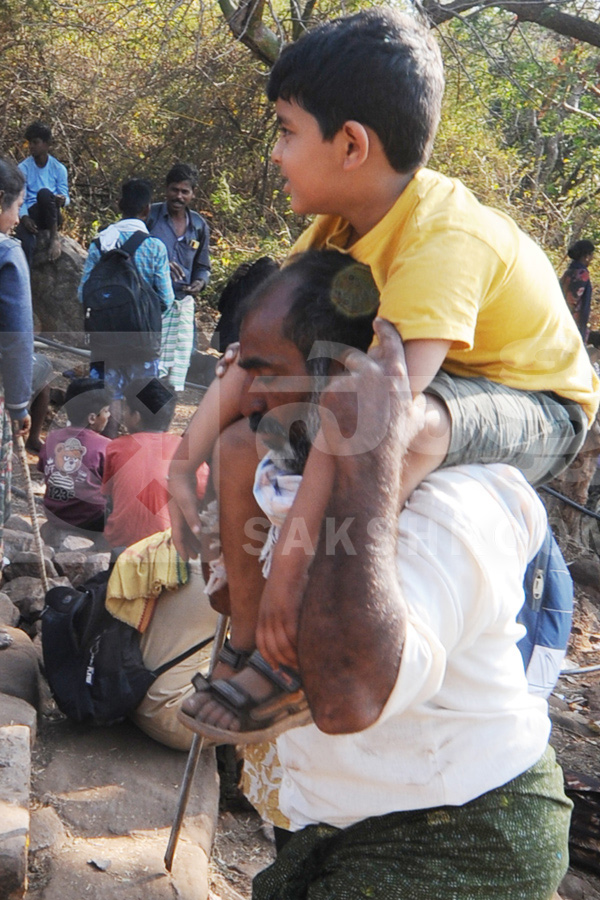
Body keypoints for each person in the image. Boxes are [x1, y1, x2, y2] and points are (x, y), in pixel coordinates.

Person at [167, 9, 599, 713]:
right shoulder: (340, 224)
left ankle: (305, 649)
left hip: (535, 402)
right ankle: (250, 646)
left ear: (350, 145)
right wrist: (187, 460)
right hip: (411, 384)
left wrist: (292, 568)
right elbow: (260, 351)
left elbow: (374, 423)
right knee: (244, 445)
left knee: (413, 429)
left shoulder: (441, 239)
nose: (275, 153)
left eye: (285, 131)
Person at [177, 251, 571, 898]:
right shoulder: (284, 468)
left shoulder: (461, 504)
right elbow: (228, 599)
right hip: (338, 816)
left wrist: (369, 453)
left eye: (264, 371)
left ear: (341, 377)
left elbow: (349, 692)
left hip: (456, 838)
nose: (244, 394)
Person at [78, 178, 175, 434]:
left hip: (103, 339)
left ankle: (105, 456)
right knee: (143, 401)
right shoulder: (155, 247)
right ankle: (137, 464)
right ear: (147, 210)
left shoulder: (100, 243)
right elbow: (166, 299)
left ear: (119, 205)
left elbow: (83, 293)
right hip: (142, 341)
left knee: (107, 399)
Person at [101, 377, 208, 548]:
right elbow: (204, 494)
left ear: (135, 417)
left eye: (125, 409)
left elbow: (109, 494)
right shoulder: (187, 450)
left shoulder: (116, 448)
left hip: (120, 544)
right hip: (168, 546)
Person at [147, 163, 211, 391]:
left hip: (182, 303)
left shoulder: (199, 226)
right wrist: (160, 264)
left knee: (178, 369)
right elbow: (132, 254)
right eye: (174, 190)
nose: (179, 196)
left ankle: (163, 417)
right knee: (148, 363)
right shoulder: (150, 216)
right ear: (166, 189)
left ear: (193, 194)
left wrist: (200, 282)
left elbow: (203, 266)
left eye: (185, 191)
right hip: (151, 302)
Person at [0, 157, 33, 564]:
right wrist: (19, 403)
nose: (18, 216)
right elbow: (17, 339)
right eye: (18, 205)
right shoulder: (7, 254)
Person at [38, 377, 112, 540]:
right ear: (92, 418)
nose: (109, 415)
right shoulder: (106, 446)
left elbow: (44, 469)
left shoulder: (51, 439)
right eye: (106, 411)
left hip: (55, 515)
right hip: (89, 522)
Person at [16, 121, 70, 265]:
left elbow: (65, 195)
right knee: (24, 241)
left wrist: (62, 200)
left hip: (51, 213)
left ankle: (54, 238)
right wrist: (25, 217)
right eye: (30, 143)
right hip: (33, 214)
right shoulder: (23, 168)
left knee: (45, 194)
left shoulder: (58, 168)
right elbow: (21, 197)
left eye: (36, 142)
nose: (31, 146)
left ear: (46, 144)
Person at [560, 238, 595, 342]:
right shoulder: (581, 274)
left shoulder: (569, 272)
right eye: (591, 254)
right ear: (586, 256)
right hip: (572, 324)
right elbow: (572, 300)